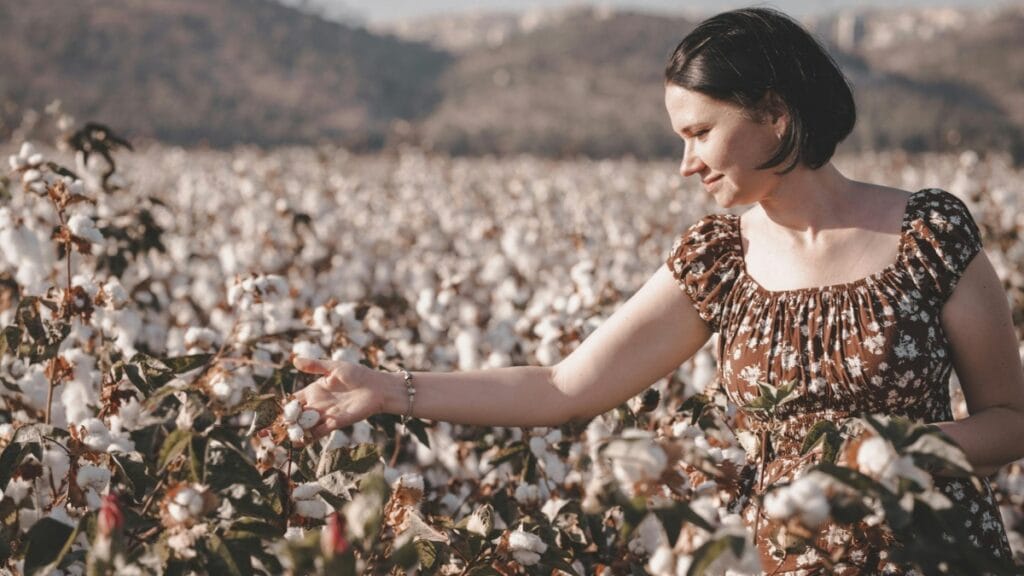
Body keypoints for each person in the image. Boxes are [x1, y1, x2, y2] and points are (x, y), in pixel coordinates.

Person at [292, 7, 1024, 574]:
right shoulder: (719, 260)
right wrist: (389, 390)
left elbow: (1010, 420)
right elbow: (561, 387)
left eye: (700, 133)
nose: (686, 164)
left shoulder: (928, 234)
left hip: (941, 556)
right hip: (784, 560)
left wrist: (899, 449)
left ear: (774, 113)